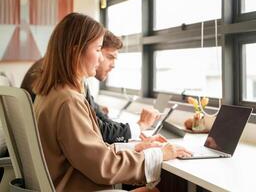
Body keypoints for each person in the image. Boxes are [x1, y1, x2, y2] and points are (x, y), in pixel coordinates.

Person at [32, 12, 191, 191]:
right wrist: (158, 155)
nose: (100, 58)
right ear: (75, 51)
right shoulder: (69, 101)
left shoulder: (52, 93)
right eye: (98, 49)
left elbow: (92, 152)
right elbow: (104, 166)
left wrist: (136, 147)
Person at [21, 32, 161, 144]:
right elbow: (97, 131)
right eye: (108, 55)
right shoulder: (63, 84)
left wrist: (132, 131)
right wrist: (139, 126)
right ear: (81, 50)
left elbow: (97, 120)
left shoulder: (67, 76)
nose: (113, 64)